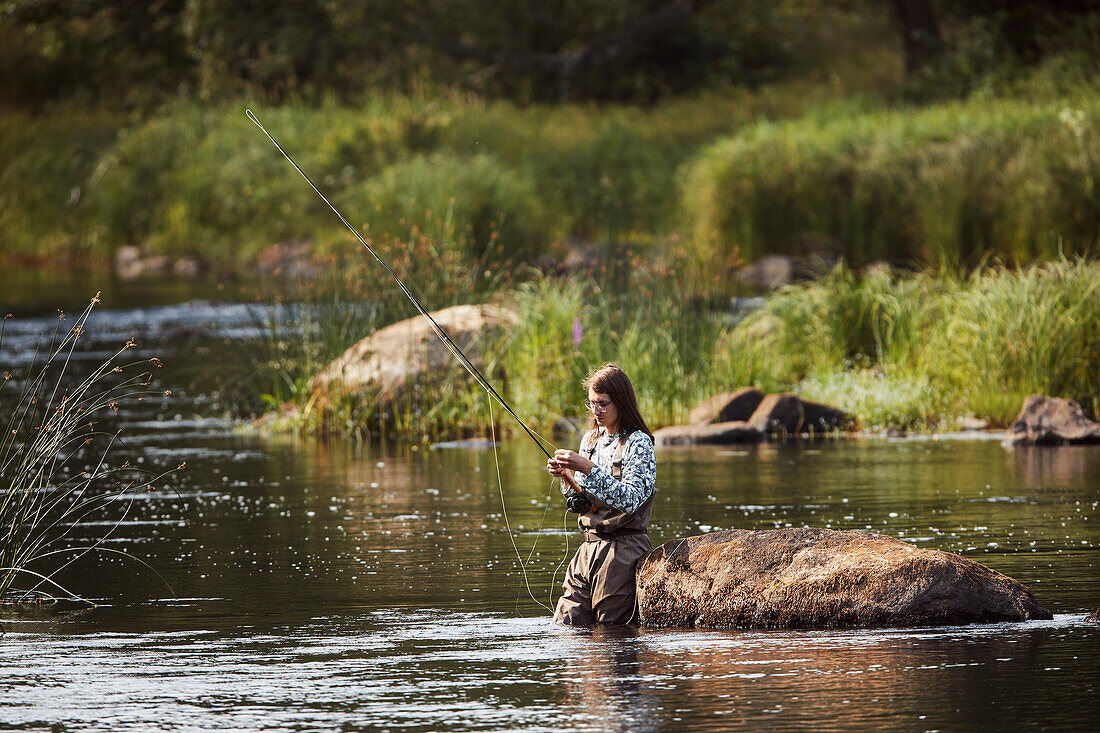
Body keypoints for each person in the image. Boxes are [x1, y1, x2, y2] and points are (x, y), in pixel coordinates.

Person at [547, 363, 656, 625]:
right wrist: (565, 477)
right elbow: (580, 500)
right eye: (592, 403)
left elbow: (631, 500)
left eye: (603, 404)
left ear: (621, 402)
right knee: (565, 626)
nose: (596, 411)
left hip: (623, 551)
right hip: (588, 549)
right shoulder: (589, 441)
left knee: (609, 635)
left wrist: (587, 467)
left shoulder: (638, 442)